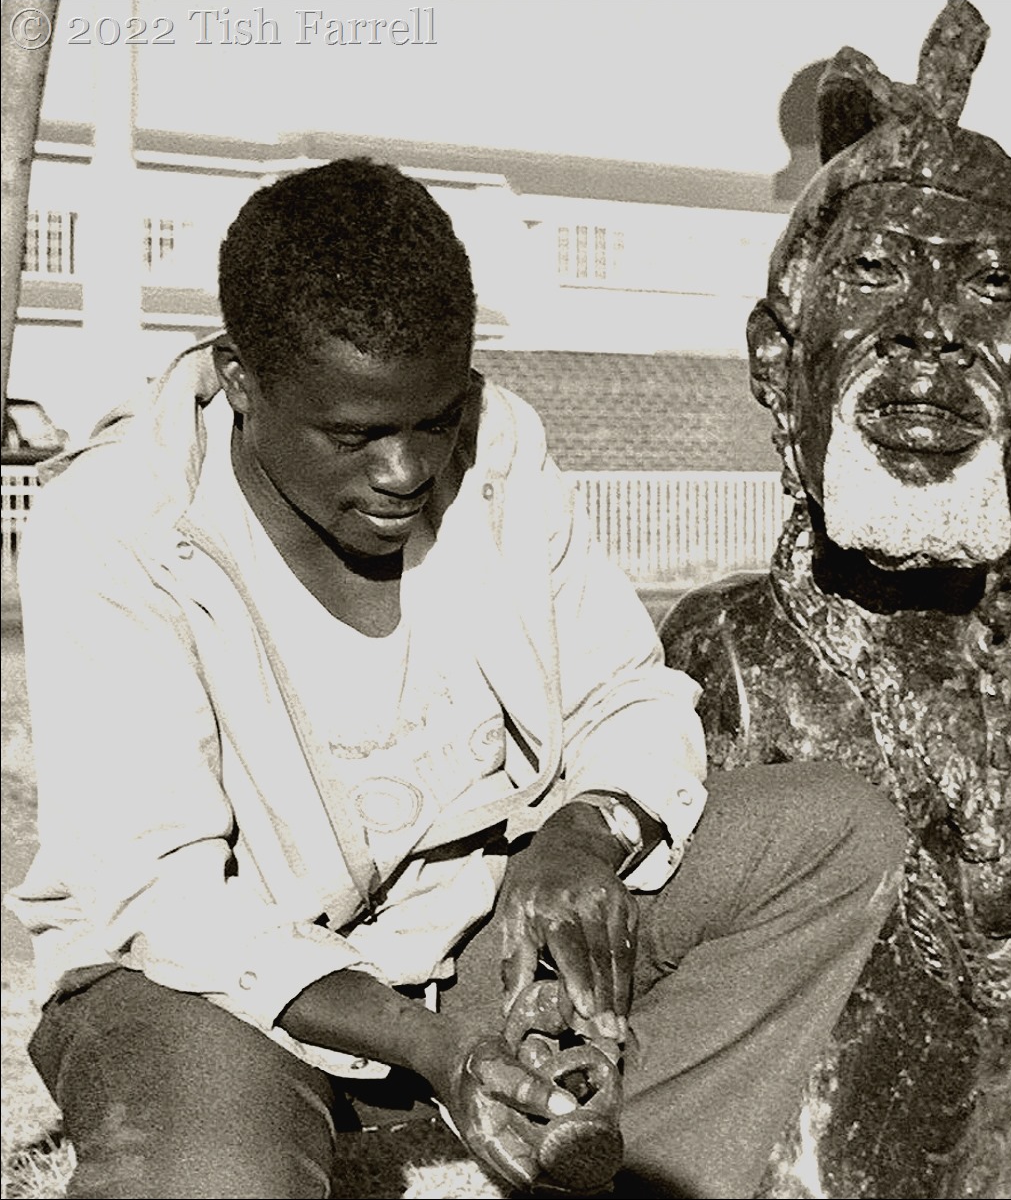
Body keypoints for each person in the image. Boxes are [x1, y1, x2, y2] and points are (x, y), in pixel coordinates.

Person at [9, 158, 904, 1200]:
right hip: (204, 992)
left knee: (830, 833)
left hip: (463, 949)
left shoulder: (496, 447)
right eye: (353, 434)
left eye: (433, 419)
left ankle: (611, 1169)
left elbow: (627, 693)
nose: (405, 471)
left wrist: (587, 831)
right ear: (242, 381)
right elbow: (160, 896)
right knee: (212, 1180)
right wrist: (433, 1047)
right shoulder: (114, 521)